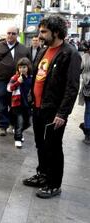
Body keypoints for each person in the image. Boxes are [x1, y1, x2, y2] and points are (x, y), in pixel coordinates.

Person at [22, 15, 81, 199]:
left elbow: (72, 88)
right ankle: (43, 175)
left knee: (53, 147)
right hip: (39, 108)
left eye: (44, 31)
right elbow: (38, 76)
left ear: (56, 32)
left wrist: (63, 113)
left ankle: (54, 184)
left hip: (54, 111)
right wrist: (31, 97)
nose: (40, 35)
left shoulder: (70, 54)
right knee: (41, 145)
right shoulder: (43, 51)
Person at [0, 26, 30, 136]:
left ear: (17, 35)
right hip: (1, 80)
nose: (10, 35)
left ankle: (12, 123)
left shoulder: (23, 49)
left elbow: (29, 65)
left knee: (14, 103)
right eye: (8, 33)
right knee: (1, 103)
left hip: (17, 81)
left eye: (13, 33)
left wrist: (29, 80)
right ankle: (3, 126)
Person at [6, 57, 33, 148]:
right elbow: (9, 88)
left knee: (28, 122)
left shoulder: (30, 78)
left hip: (27, 104)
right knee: (20, 122)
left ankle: (18, 130)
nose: (22, 69)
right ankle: (18, 138)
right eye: (20, 67)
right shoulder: (15, 77)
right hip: (17, 104)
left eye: (24, 67)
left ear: (28, 67)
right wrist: (17, 82)